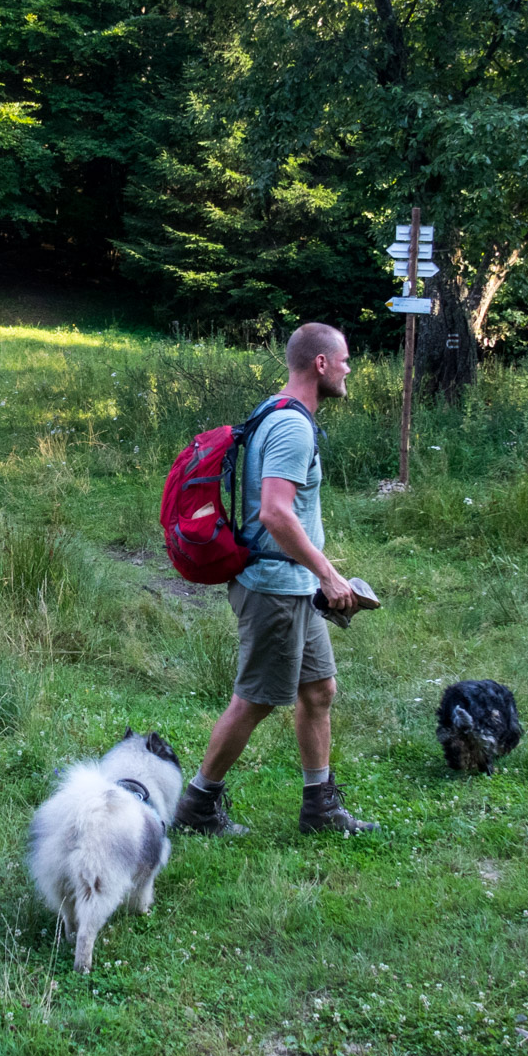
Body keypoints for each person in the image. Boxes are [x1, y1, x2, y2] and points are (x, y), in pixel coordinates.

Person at [172, 322, 378, 836]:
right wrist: (330, 576)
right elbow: (276, 513)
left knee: (319, 691)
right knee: (255, 699)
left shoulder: (279, 412)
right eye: (345, 359)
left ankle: (321, 808)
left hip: (291, 587)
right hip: (274, 588)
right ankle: (197, 807)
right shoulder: (292, 427)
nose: (350, 368)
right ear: (322, 364)